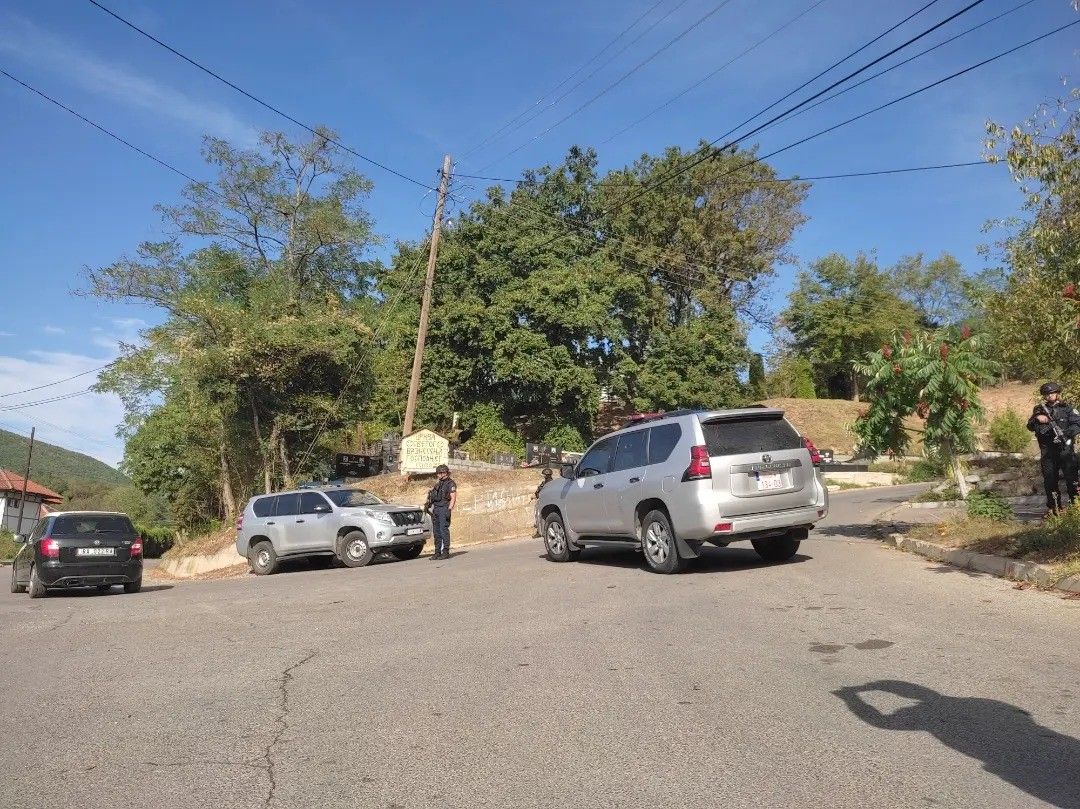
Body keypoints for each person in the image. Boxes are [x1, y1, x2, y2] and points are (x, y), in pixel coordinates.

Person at [1026, 381, 1080, 515]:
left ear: (1057, 394)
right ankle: (1054, 508)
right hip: (1048, 452)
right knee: (1050, 480)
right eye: (1046, 394)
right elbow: (1030, 426)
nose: (1049, 396)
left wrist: (1065, 433)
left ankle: (1075, 506)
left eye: (1052, 393)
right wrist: (1037, 418)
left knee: (1072, 479)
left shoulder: (1067, 408)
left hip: (1065, 450)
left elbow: (1077, 425)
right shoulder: (1039, 409)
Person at [425, 464, 457, 560]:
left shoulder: (451, 484)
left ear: (445, 473)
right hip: (436, 509)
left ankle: (445, 552)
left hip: (444, 508)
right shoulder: (438, 484)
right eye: (438, 473)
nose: (438, 475)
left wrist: (449, 509)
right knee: (436, 532)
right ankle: (437, 552)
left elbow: (453, 498)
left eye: (440, 473)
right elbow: (433, 497)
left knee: (443, 531)